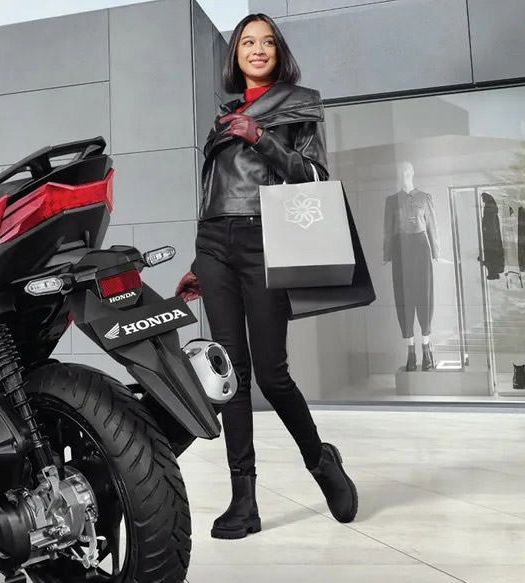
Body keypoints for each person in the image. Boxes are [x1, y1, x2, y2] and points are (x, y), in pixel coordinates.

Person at [175, 13, 358, 540]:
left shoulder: (300, 104)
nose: (257, 49)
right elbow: (215, 191)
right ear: (235, 54)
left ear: (279, 52)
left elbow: (316, 178)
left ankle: (320, 461)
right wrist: (199, 264)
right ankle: (244, 500)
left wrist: (262, 139)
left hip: (265, 240)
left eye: (267, 42)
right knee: (231, 376)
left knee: (273, 375)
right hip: (214, 243)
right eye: (247, 43)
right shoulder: (223, 115)